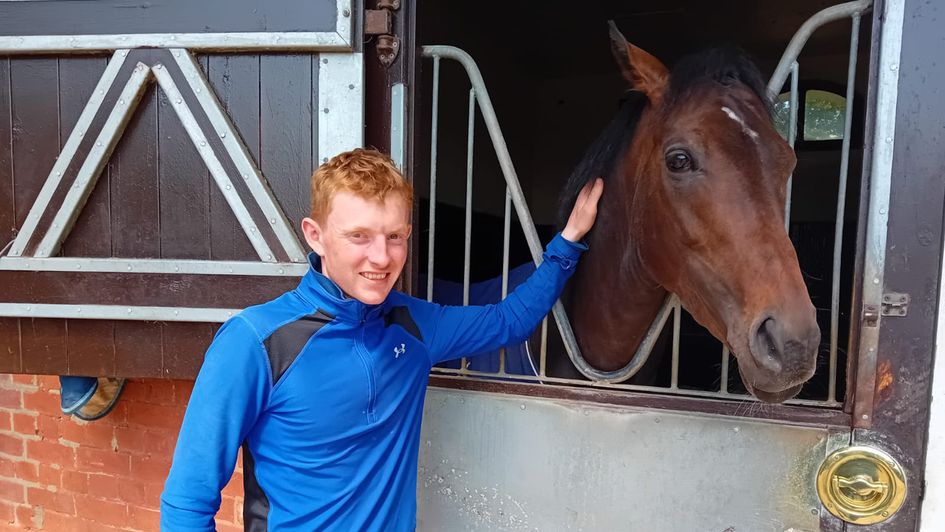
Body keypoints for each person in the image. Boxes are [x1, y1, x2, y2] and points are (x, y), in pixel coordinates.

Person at [160, 148, 603, 531]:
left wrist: (568, 241)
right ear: (316, 236)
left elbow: (508, 321)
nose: (381, 257)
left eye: (395, 237)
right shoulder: (256, 342)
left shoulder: (415, 325)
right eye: (359, 236)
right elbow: (187, 501)